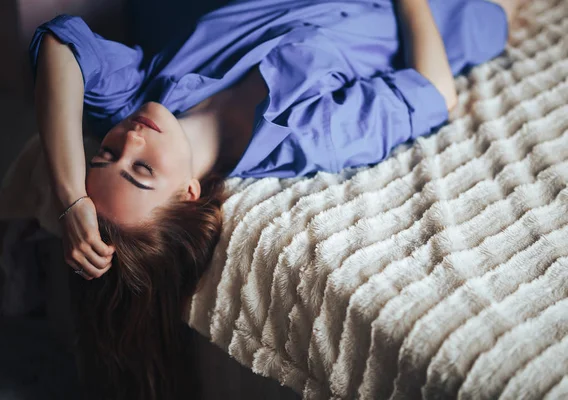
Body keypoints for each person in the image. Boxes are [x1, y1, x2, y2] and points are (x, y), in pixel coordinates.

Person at [31, 0, 523, 398]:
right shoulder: (309, 134)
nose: (131, 139)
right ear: (189, 193)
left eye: (107, 153)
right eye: (141, 169)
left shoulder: (139, 96)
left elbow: (60, 40)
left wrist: (70, 192)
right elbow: (437, 92)